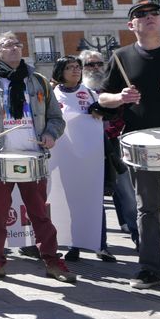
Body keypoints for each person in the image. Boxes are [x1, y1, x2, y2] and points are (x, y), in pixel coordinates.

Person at [0, 32, 74, 284]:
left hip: (33, 157)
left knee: (39, 215)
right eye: (8, 45)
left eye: (18, 44)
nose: (14, 48)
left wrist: (50, 134)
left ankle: (53, 262)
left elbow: (56, 118)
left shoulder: (39, 81)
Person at [98, 0, 160, 288]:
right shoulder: (121, 57)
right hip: (140, 141)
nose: (150, 18)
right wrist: (121, 98)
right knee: (147, 207)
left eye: (155, 13)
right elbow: (102, 98)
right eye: (141, 15)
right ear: (132, 26)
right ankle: (150, 269)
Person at [50, 55, 115, 262]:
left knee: (95, 201)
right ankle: (73, 245)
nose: (76, 70)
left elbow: (109, 113)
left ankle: (100, 245)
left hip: (89, 158)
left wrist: (99, 110)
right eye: (70, 67)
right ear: (60, 71)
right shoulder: (52, 95)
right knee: (68, 202)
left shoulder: (89, 92)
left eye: (78, 67)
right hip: (63, 157)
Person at [80, 49, 139, 249]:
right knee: (92, 197)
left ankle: (138, 236)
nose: (96, 68)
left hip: (114, 146)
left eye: (99, 64)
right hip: (88, 148)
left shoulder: (114, 86)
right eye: (90, 64)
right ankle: (96, 242)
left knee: (128, 194)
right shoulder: (76, 89)